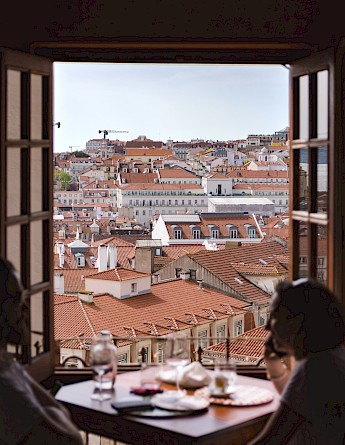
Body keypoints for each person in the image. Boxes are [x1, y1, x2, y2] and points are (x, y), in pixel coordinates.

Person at [248, 278, 345, 445]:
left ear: (297, 321)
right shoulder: (335, 355)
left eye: (274, 316)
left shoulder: (315, 368)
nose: (267, 327)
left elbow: (270, 441)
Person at [0, 257, 83, 445]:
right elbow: (69, 439)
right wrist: (55, 412)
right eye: (16, 300)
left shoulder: (6, 364)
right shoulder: (3, 382)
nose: (27, 309)